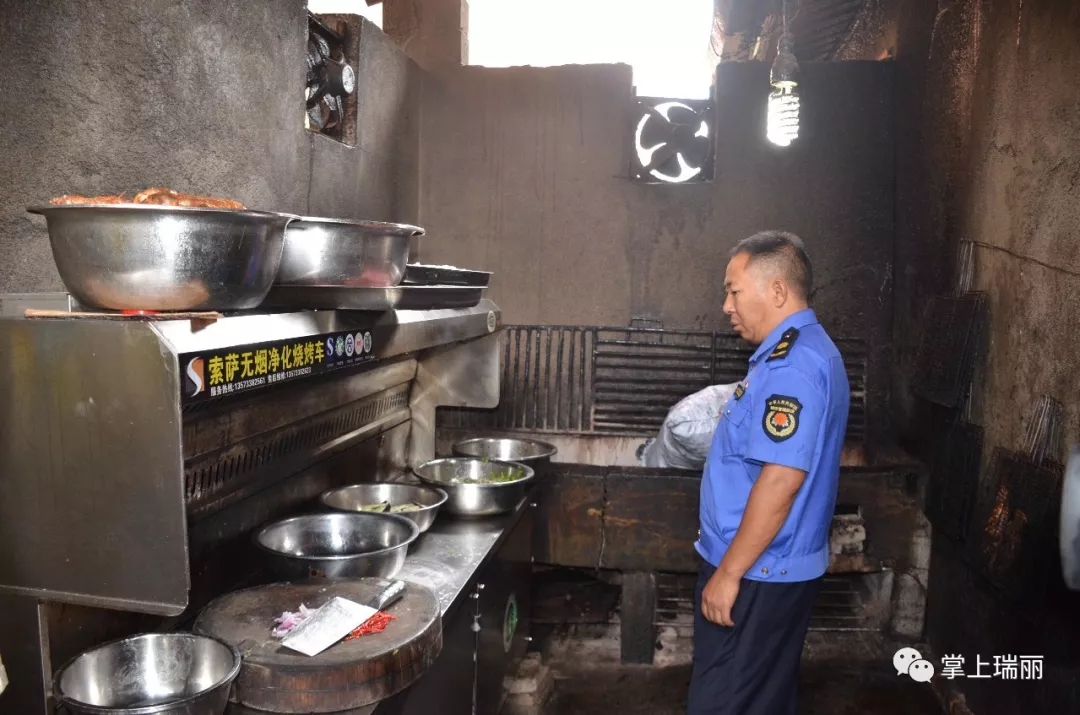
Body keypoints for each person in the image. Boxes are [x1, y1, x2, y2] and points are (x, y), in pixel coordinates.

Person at [688, 230, 850, 715]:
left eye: (734, 290)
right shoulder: (805, 351)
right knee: (762, 699)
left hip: (758, 570)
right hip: (769, 567)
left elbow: (782, 479)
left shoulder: (791, 368)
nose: (725, 305)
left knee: (722, 704)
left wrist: (729, 574)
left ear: (776, 291)